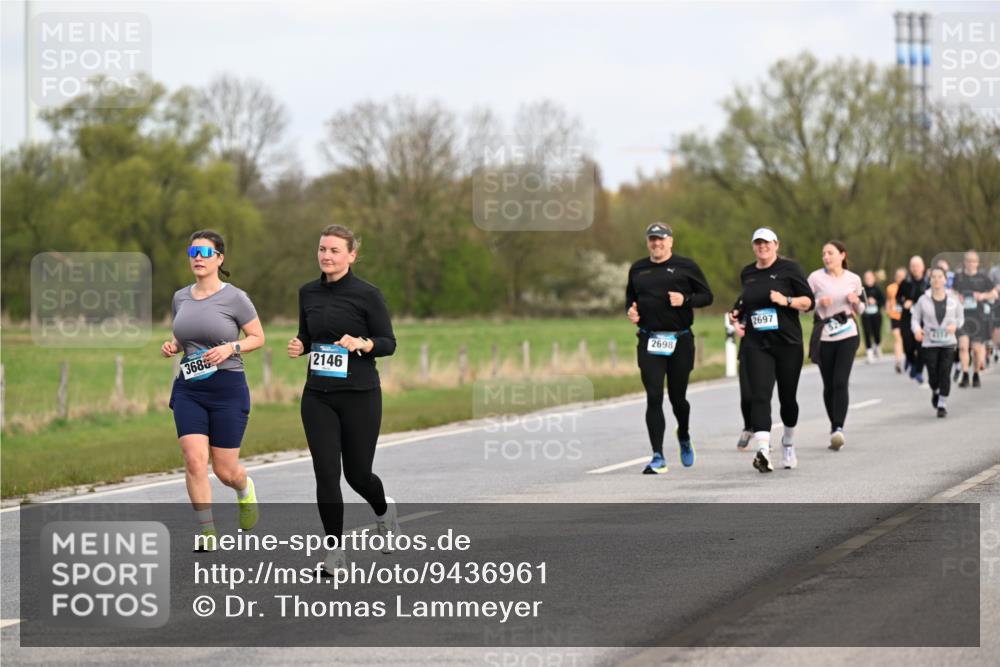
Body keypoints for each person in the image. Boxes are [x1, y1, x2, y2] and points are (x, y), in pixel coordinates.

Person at [287, 224, 400, 574]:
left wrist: (364, 343)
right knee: (326, 475)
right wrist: (300, 344)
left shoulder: (368, 294)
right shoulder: (307, 293)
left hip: (360, 396)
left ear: (351, 255)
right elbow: (308, 334)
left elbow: (388, 342)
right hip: (318, 396)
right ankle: (334, 552)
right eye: (322, 249)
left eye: (335, 250)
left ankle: (384, 511)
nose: (326, 256)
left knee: (358, 475)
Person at [163, 230, 265, 551]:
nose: (197, 257)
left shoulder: (235, 297)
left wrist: (231, 347)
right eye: (193, 251)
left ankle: (244, 488)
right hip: (190, 389)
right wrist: (173, 345)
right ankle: (207, 532)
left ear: (219, 259)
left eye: (205, 253)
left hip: (227, 389)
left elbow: (257, 337)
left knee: (224, 470)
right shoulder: (180, 297)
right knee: (194, 460)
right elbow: (185, 335)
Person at [626, 222, 714, 474]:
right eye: (653, 239)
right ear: (647, 243)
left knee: (678, 399)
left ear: (670, 242)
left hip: (680, 340)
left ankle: (684, 434)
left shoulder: (686, 267)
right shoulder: (638, 269)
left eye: (661, 239)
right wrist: (630, 312)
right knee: (654, 396)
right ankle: (658, 456)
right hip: (649, 340)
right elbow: (630, 300)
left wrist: (685, 299)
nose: (657, 243)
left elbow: (707, 297)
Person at [730, 228, 814, 472]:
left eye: (766, 243)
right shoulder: (748, 273)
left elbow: (808, 302)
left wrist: (786, 301)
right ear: (753, 246)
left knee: (787, 399)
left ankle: (788, 442)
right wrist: (738, 314)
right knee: (760, 395)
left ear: (776, 244)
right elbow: (746, 302)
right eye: (757, 243)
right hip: (758, 345)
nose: (762, 247)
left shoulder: (791, 269)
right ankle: (764, 451)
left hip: (788, 343)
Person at [808, 242, 865, 451]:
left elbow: (862, 307)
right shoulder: (815, 278)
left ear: (842, 255)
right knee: (829, 384)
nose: (826, 257)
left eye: (830, 253)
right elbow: (804, 305)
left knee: (841, 381)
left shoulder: (854, 279)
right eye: (823, 253)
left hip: (847, 333)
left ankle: (837, 428)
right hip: (824, 336)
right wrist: (818, 303)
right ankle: (834, 425)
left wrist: (855, 301)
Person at [912, 267, 964, 417]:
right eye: (933, 277)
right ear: (930, 280)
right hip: (930, 342)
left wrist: (955, 325)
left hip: (948, 342)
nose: (936, 279)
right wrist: (917, 330)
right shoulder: (923, 299)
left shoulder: (953, 299)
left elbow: (960, 317)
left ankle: (942, 403)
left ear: (945, 280)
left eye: (940, 276)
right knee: (933, 375)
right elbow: (915, 318)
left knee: (945, 372)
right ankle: (935, 390)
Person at [953, 250, 998, 388]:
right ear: (965, 262)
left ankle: (976, 373)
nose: (971, 264)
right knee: (962, 346)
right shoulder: (959, 277)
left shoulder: (983, 278)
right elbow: (952, 292)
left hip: (978, 318)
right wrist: (957, 297)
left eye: (973, 261)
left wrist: (982, 296)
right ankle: (965, 374)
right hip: (962, 318)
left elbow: (994, 294)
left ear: (977, 263)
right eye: (968, 261)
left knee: (977, 350)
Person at [897, 256, 929, 384]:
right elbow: (898, 297)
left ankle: (918, 370)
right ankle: (910, 361)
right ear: (910, 268)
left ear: (923, 267)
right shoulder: (905, 282)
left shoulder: (928, 283)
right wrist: (904, 302)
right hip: (907, 317)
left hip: (924, 319)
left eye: (918, 266)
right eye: (913, 266)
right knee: (907, 344)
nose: (915, 268)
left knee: (921, 347)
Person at [860, 270, 885, 364]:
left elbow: (883, 301)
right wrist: (865, 302)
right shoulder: (862, 290)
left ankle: (877, 346)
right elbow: (859, 302)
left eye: (870, 278)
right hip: (866, 315)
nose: (868, 280)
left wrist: (875, 302)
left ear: (873, 278)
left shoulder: (878, 289)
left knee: (876, 333)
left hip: (876, 315)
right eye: (866, 278)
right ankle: (869, 353)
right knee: (867, 333)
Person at [885, 267, 907, 373]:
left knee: (905, 339)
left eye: (902, 277)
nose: (900, 278)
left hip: (906, 317)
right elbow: (888, 300)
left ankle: (908, 358)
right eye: (898, 276)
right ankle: (898, 361)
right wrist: (888, 311)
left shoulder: (909, 287)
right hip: (894, 316)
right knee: (897, 338)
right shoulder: (891, 288)